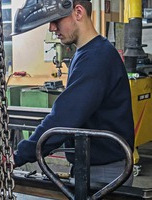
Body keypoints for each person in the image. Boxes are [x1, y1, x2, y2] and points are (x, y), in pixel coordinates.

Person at [11, 0, 134, 185]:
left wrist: (17, 156)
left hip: (105, 173)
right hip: (92, 166)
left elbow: (64, 118)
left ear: (78, 12)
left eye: (56, 20)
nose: (52, 28)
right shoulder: (87, 52)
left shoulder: (96, 58)